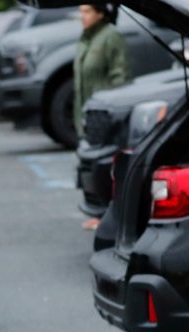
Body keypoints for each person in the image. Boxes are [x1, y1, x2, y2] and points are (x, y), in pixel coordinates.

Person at [75, 3, 129, 230]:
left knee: (107, 168)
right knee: (90, 167)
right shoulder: (86, 38)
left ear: (100, 13)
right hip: (86, 114)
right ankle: (98, 212)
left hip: (105, 115)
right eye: (81, 12)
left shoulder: (111, 37)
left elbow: (120, 76)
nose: (82, 16)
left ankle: (109, 215)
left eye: (87, 11)